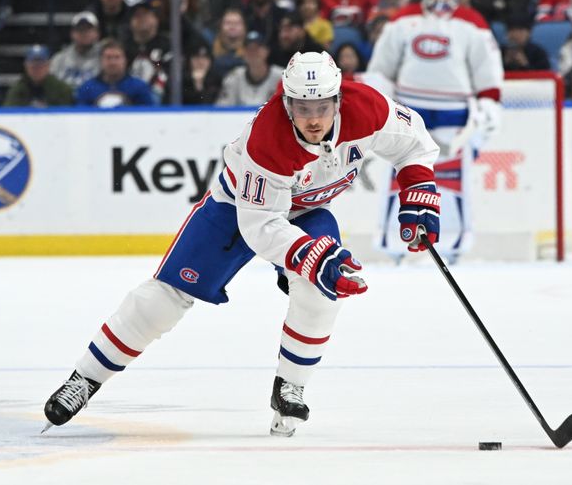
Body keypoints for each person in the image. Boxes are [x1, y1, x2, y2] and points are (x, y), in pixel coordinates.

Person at [42, 51, 441, 437]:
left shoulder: (367, 107)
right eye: (302, 108)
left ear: (338, 99)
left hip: (306, 210)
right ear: (287, 104)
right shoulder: (267, 138)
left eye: (322, 106)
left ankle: (291, 386)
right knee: (164, 298)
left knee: (322, 290)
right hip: (237, 209)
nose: (314, 118)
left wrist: (418, 188)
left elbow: (412, 142)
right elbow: (261, 226)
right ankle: (86, 379)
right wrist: (308, 255)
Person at [366, 0, 503, 261]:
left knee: (454, 184)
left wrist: (488, 108)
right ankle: (394, 242)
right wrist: (381, 103)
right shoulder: (403, 19)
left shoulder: (472, 23)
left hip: (455, 116)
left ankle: (454, 244)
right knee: (399, 179)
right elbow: (381, 69)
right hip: (408, 113)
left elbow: (487, 72)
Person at [76, 38, 154, 107]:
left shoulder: (139, 87)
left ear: (125, 60)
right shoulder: (87, 88)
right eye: (108, 57)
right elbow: (81, 118)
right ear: (100, 60)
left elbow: (149, 117)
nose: (113, 62)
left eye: (117, 57)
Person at [216, 30, 283, 106]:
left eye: (256, 48)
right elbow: (223, 109)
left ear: (266, 51)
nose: (253, 52)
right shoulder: (234, 77)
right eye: (249, 48)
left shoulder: (281, 77)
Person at [124, 1, 171, 104]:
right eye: (137, 16)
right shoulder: (125, 47)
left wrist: (157, 63)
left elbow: (169, 71)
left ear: (156, 19)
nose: (142, 19)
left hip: (162, 97)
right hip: (130, 99)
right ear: (131, 22)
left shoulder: (167, 45)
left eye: (146, 14)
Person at [3, 45, 74, 107]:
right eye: (33, 66)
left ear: (48, 65)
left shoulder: (61, 90)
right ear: (26, 66)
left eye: (40, 65)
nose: (37, 69)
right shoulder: (17, 90)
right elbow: (9, 113)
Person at [50, 11, 102, 89]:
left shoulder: (105, 57)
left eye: (88, 29)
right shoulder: (59, 59)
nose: (84, 33)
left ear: (97, 33)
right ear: (72, 34)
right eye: (80, 29)